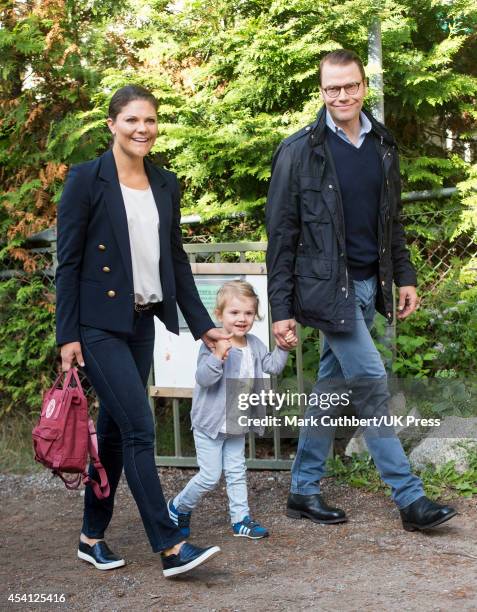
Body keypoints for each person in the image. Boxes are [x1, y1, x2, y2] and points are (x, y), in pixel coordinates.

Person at [265, 49, 457, 531]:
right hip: (329, 290)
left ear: (363, 87)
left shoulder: (382, 146)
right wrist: (280, 308)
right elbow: (282, 235)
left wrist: (406, 276)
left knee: (331, 388)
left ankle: (303, 490)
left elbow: (392, 222)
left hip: (372, 285)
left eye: (350, 86)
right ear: (322, 91)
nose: (342, 95)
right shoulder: (299, 150)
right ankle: (410, 500)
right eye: (333, 88)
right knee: (371, 381)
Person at [56, 85, 230, 577]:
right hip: (97, 325)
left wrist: (203, 327)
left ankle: (92, 537)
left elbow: (175, 260)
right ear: (112, 124)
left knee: (112, 434)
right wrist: (67, 334)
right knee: (138, 428)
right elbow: (67, 263)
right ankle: (171, 545)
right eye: (132, 120)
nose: (142, 129)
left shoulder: (165, 183)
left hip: (140, 323)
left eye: (150, 120)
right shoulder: (86, 180)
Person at [168, 281, 295, 539]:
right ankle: (177, 506)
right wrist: (218, 357)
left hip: (237, 423)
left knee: (237, 472)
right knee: (210, 476)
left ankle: (241, 520)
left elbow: (272, 366)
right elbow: (204, 379)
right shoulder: (212, 344)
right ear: (220, 315)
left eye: (248, 313)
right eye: (234, 313)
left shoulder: (256, 345)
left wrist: (282, 347)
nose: (242, 319)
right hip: (210, 425)